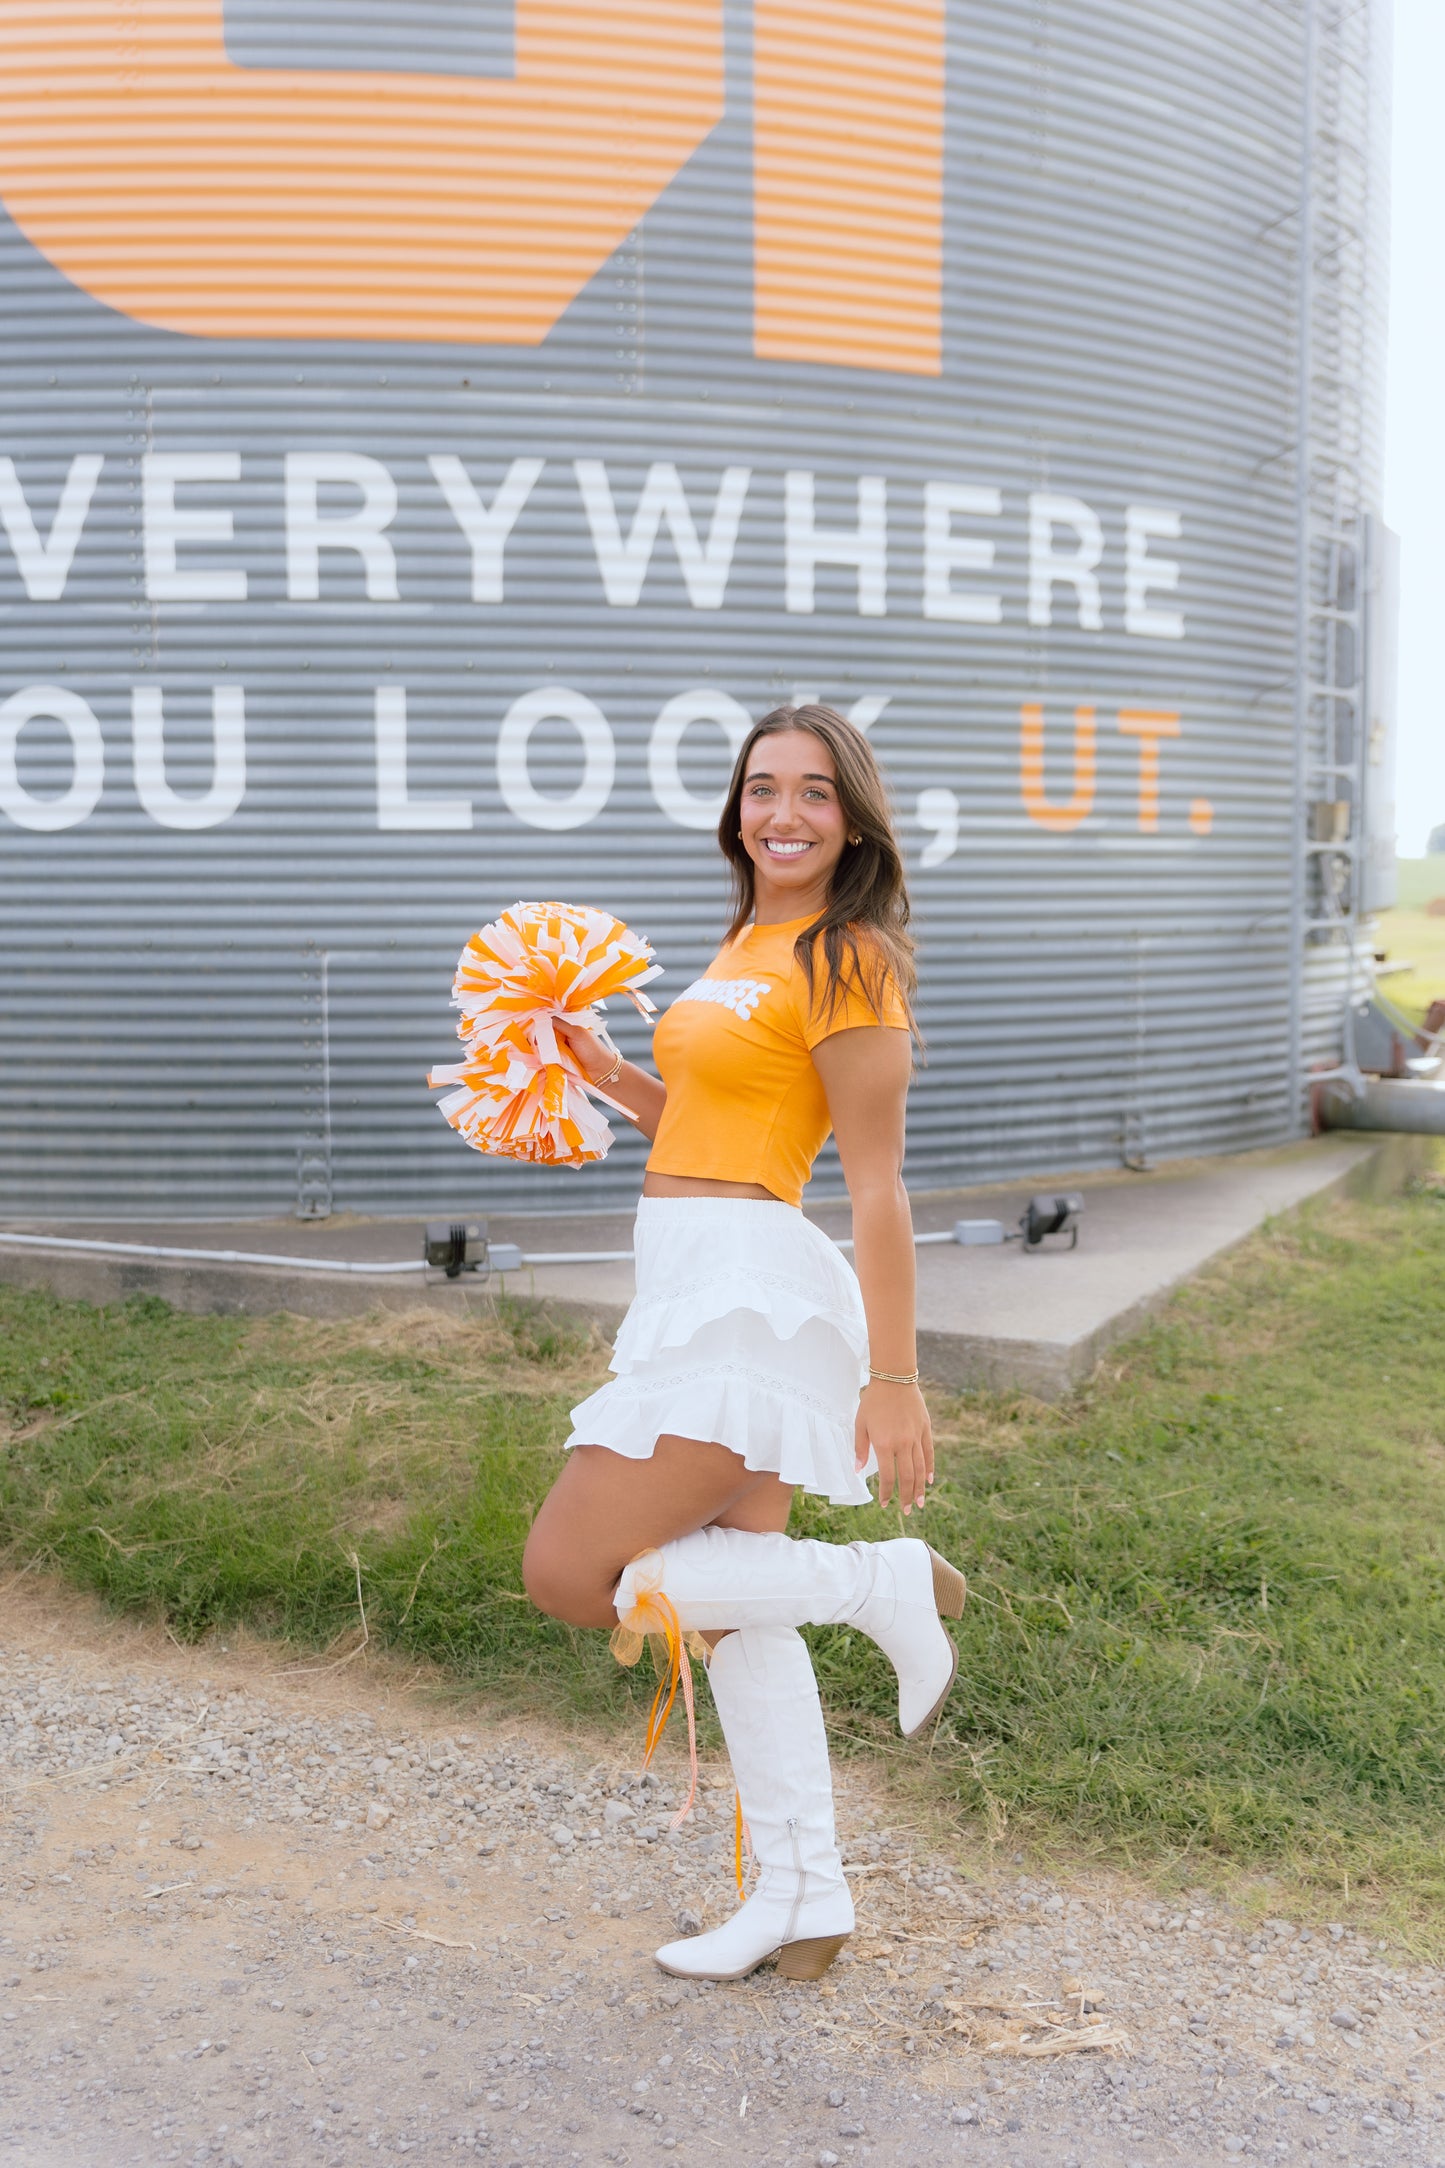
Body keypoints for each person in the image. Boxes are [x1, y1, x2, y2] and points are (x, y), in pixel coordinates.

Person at [521, 702, 965, 1984]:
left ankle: (879, 1583)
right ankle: (801, 1894)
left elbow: (873, 1183)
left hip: (746, 1291)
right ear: (736, 808)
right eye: (760, 787)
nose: (781, 812)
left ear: (851, 818)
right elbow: (725, 1124)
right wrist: (613, 1077)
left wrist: (893, 1377)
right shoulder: (750, 936)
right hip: (687, 1268)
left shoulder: (848, 956)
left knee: (569, 1569)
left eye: (813, 793)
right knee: (732, 1609)